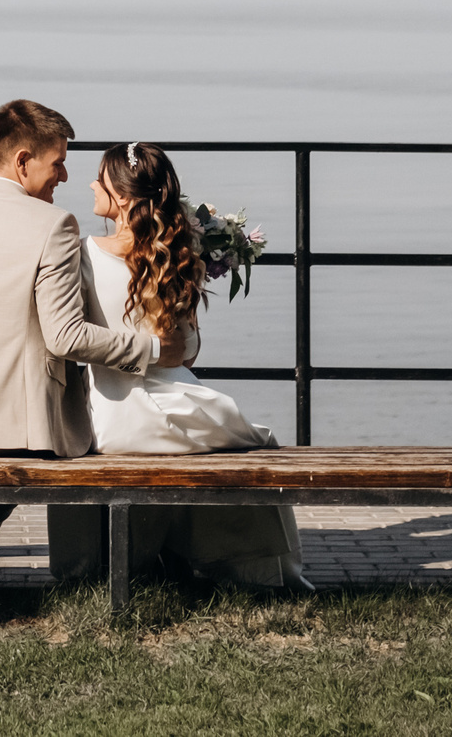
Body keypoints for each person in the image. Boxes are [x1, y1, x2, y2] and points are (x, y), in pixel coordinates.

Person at [0, 99, 182, 586]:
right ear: (23, 160)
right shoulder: (54, 226)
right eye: (58, 162)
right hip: (7, 428)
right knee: (32, 436)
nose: (64, 175)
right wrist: (152, 351)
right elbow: (66, 337)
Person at [45, 141, 311, 589]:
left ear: (124, 197)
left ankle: (150, 558)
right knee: (253, 437)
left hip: (107, 413)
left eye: (100, 178)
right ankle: (253, 566)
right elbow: (187, 352)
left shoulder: (83, 253)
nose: (90, 184)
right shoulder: (176, 254)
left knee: (228, 435)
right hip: (168, 401)